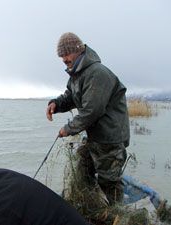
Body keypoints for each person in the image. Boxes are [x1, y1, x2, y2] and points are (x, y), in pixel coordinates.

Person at [46, 32, 130, 205]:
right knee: (83, 168)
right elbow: (70, 96)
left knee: (109, 182)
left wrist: (68, 129)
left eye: (66, 54)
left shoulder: (97, 73)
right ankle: (90, 204)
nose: (64, 59)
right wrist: (56, 104)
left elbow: (92, 111)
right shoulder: (76, 73)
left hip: (110, 137)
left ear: (78, 50)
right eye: (61, 56)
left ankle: (116, 214)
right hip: (95, 136)